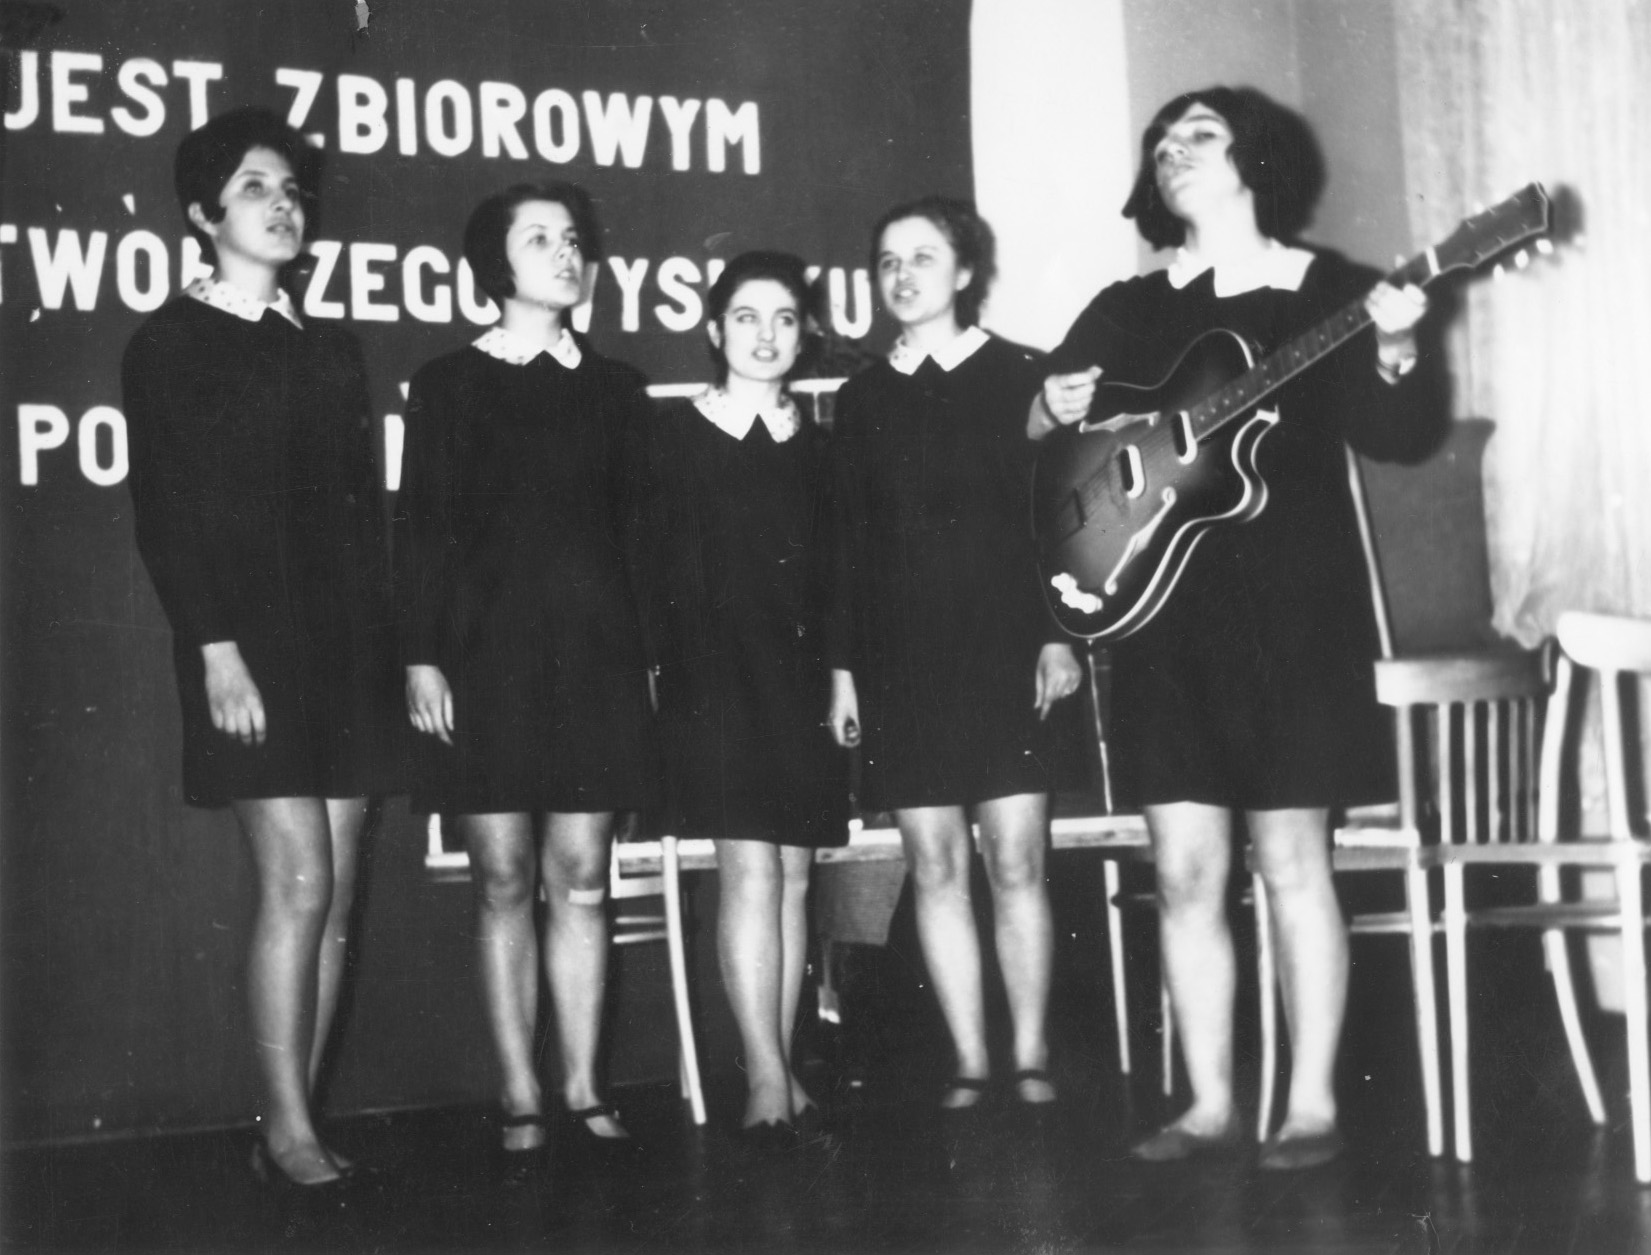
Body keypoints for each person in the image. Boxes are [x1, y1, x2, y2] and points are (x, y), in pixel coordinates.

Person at [1032, 86, 1442, 1170]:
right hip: (1163, 618)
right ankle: (1209, 1102)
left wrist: (1397, 345)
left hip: (1294, 611)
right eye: (1161, 141)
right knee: (1185, 869)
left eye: (1199, 135)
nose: (1172, 151)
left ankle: (1309, 1104)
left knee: (1293, 859)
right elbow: (1044, 437)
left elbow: (1395, 432)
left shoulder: (1329, 290)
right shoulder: (1126, 304)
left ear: (1254, 158)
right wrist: (1054, 404)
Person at [122, 107, 403, 1190]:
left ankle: (296, 1121)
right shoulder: (168, 344)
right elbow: (166, 514)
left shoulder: (329, 345)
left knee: (337, 890)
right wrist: (216, 649)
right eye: (254, 187)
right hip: (248, 648)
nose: (283, 205)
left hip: (347, 651)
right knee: (298, 879)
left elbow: (356, 518)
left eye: (291, 189)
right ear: (202, 215)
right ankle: (284, 1132)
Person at [394, 183, 658, 1172]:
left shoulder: (616, 389)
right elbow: (421, 525)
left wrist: (647, 664)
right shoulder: (448, 384)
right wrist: (421, 654)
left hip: (594, 663)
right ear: (493, 263)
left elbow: (640, 537)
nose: (565, 252)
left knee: (581, 878)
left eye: (573, 238)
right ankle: (518, 1089)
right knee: (502, 877)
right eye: (539, 238)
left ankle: (583, 1085)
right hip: (485, 664)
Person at [826, 196, 1083, 1114]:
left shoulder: (1025, 376)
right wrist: (844, 672)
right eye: (887, 261)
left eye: (923, 257)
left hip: (1007, 647)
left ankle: (1030, 1051)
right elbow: (848, 545)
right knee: (933, 865)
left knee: (1014, 861)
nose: (902, 276)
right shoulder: (860, 399)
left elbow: (1064, 517)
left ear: (965, 271)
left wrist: (1058, 633)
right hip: (902, 660)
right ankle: (970, 1058)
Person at [626, 251, 849, 1145]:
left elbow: (840, 579)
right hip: (712, 680)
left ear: (804, 334)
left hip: (800, 682)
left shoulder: (821, 448)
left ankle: (780, 1065)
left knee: (793, 874)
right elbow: (645, 570)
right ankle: (761, 1076)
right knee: (750, 870)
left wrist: (841, 675)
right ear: (714, 329)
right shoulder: (670, 438)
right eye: (746, 317)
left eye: (784, 318)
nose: (766, 335)